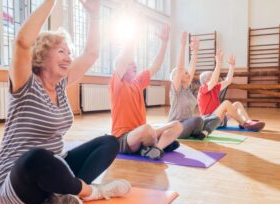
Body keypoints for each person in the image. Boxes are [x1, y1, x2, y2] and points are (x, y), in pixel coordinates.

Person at [0, 1, 130, 204]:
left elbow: (91, 54)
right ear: (42, 53)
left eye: (69, 53)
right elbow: (21, 42)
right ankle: (90, 192)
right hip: (17, 181)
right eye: (61, 52)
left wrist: (94, 15)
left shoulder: (60, 85)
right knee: (36, 157)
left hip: (56, 168)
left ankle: (63, 194)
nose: (68, 58)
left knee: (110, 143)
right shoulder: (25, 84)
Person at [109, 24, 183, 160]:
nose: (135, 65)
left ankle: (157, 149)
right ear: (122, 68)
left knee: (177, 125)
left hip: (143, 135)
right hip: (123, 139)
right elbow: (125, 57)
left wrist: (164, 42)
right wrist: (131, 39)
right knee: (148, 129)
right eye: (131, 64)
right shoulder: (117, 84)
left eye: (135, 63)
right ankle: (158, 144)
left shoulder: (138, 82)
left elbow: (156, 65)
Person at [168, 32, 221, 139]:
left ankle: (203, 133)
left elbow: (191, 68)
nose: (188, 74)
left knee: (216, 118)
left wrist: (195, 51)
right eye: (185, 73)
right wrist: (183, 45)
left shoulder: (187, 88)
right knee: (198, 120)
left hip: (190, 124)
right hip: (177, 127)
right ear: (177, 77)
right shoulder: (176, 90)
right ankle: (198, 130)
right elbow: (180, 69)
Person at [197, 49, 265, 131]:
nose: (217, 77)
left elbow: (228, 80)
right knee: (226, 103)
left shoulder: (214, 88)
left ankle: (248, 121)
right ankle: (244, 124)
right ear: (207, 80)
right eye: (213, 76)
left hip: (217, 118)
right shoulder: (202, 89)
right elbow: (214, 81)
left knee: (237, 104)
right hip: (208, 121)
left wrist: (232, 66)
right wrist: (218, 62)